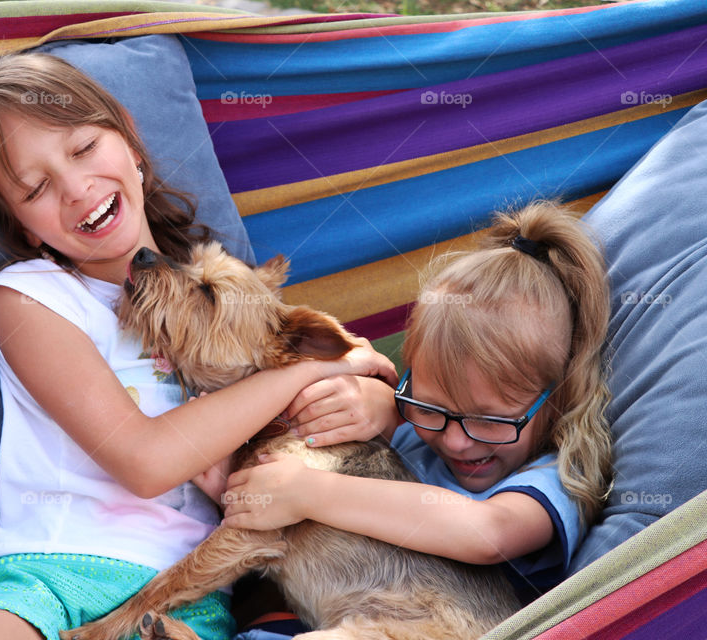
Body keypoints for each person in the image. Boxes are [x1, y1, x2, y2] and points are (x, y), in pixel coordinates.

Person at [0, 53, 397, 640]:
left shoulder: (219, 304)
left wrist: (374, 400)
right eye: (36, 187)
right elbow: (146, 462)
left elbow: (332, 427)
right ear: (26, 227)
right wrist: (303, 372)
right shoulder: (32, 297)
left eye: (82, 150)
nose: (77, 189)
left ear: (131, 142)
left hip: (188, 594)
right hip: (45, 571)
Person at [223, 201, 613, 603]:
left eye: (490, 420)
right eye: (429, 407)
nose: (457, 442)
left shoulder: (549, 480)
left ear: (558, 398)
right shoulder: (414, 435)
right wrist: (385, 404)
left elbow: (488, 531)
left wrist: (308, 492)